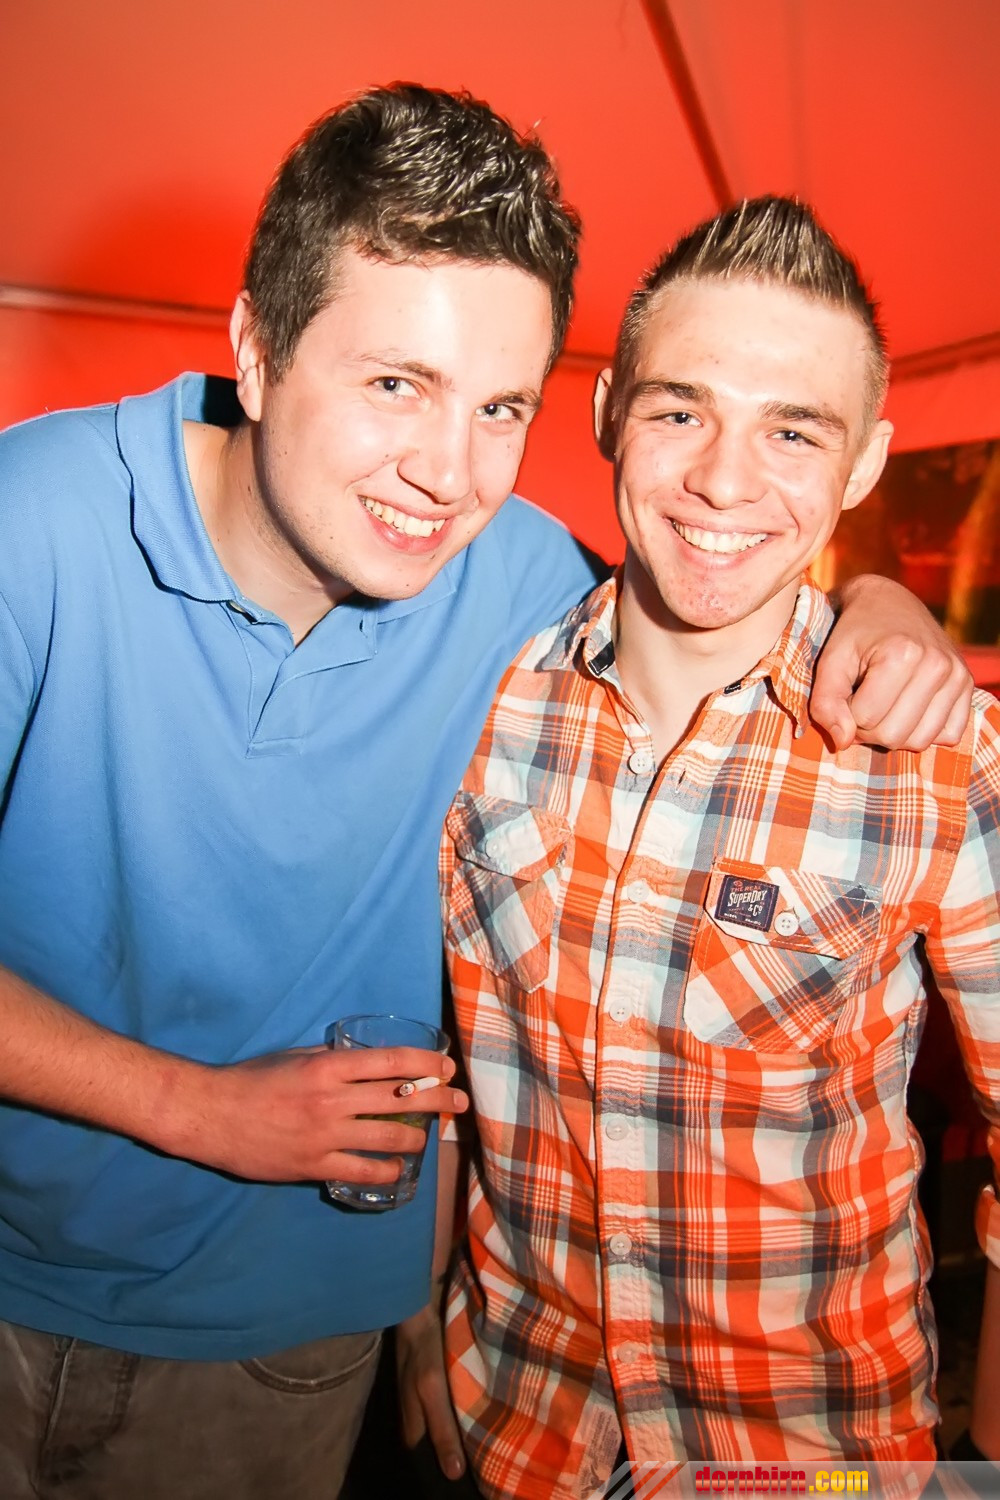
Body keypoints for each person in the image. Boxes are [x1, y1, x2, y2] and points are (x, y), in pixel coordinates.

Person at [0, 83, 970, 1497]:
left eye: (500, 405)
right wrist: (201, 1113)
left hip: (305, 1335)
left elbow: (722, 569)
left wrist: (882, 604)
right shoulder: (36, 520)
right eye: (396, 383)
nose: (447, 475)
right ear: (256, 349)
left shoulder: (520, 585)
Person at [438, 197, 1000, 1497]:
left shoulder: (937, 751)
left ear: (865, 464)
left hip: (814, 1465)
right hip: (514, 1434)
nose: (725, 482)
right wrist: (411, 1313)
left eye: (792, 431)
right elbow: (442, 1055)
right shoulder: (485, 700)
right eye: (680, 411)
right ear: (606, 413)